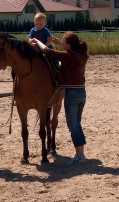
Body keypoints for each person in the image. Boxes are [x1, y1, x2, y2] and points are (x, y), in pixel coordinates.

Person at [30, 31, 89, 164]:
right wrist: (61, 44)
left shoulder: (67, 56)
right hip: (82, 93)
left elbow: (47, 51)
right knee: (77, 124)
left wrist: (37, 41)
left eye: (64, 42)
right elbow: (70, 51)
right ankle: (81, 152)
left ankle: (79, 155)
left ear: (68, 45)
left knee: (72, 126)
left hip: (72, 94)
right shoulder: (82, 54)